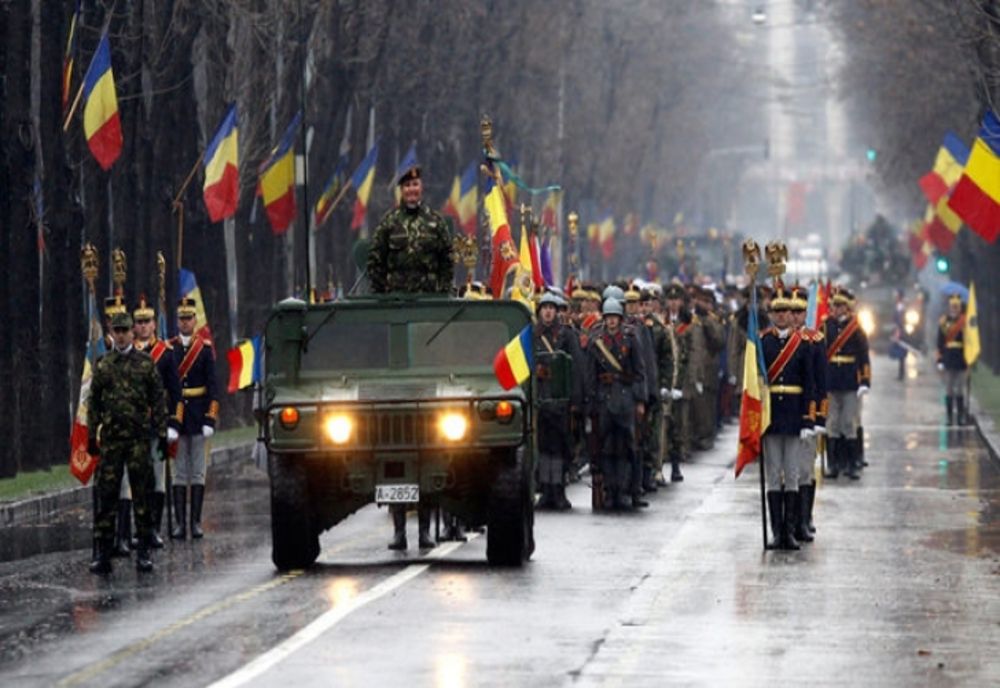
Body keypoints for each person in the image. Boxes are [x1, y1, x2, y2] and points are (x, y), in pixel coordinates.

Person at [87, 311, 168, 573]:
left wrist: (162, 434)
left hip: (137, 440)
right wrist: (91, 436)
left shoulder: (145, 364)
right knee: (107, 496)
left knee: (141, 496)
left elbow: (158, 400)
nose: (121, 336)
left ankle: (143, 551)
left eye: (125, 331)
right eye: (117, 331)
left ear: (132, 332)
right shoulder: (104, 365)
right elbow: (94, 403)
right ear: (112, 333)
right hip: (111, 440)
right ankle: (103, 552)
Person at [760, 289, 815, 550]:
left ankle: (790, 531)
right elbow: (758, 382)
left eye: (786, 312)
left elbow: (809, 384)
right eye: (777, 312)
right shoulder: (763, 343)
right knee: (773, 475)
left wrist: (808, 420)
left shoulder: (802, 344)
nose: (782, 317)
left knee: (792, 473)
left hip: (794, 415)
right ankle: (776, 532)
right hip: (771, 417)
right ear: (771, 315)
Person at [584, 298, 646, 511]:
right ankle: (610, 490)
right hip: (604, 399)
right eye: (608, 317)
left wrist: (640, 401)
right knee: (605, 448)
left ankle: (629, 489)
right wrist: (591, 402)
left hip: (626, 398)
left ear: (620, 319)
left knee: (629, 447)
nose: (611, 321)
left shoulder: (630, 340)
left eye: (615, 318)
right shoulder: (596, 342)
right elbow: (591, 375)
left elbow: (639, 373)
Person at [133, 295, 182, 548]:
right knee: (138, 478)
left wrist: (174, 423)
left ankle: (154, 527)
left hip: (159, 424)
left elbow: (175, 392)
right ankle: (139, 528)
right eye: (139, 323)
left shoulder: (166, 354)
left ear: (154, 324)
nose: (143, 327)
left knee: (157, 475)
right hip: (135, 425)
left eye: (147, 322)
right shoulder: (129, 353)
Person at [169, 297, 219, 539]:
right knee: (179, 472)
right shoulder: (171, 349)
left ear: (195, 320)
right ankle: (180, 524)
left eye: (189, 318)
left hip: (199, 417)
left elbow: (213, 388)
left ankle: (195, 522)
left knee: (198, 471)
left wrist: (210, 419)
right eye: (181, 318)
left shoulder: (205, 350)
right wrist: (170, 420)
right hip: (178, 419)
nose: (185, 322)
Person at [366, 162, 454, 294]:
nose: (411, 189)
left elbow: (447, 259)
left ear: (421, 187)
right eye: (407, 185)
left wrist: (443, 290)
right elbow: (375, 259)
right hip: (396, 297)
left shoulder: (435, 221)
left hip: (429, 298)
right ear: (401, 190)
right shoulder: (389, 221)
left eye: (415, 184)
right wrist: (382, 293)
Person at [533, 292, 583, 510]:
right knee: (543, 447)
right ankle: (546, 490)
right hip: (540, 400)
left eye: (552, 308)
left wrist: (576, 401)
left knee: (561, 446)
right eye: (544, 308)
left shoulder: (567, 335)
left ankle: (559, 490)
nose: (548, 312)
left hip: (561, 400)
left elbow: (576, 368)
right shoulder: (532, 335)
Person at [823, 287, 870, 480]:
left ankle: (851, 464)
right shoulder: (826, 327)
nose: (837, 308)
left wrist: (865, 380)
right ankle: (834, 464)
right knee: (832, 423)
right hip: (832, 380)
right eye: (835, 305)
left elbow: (863, 356)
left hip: (850, 380)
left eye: (841, 305)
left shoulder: (856, 328)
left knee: (848, 423)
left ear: (847, 307)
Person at [789, 286, 825, 542]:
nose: (793, 317)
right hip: (786, 415)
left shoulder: (815, 340)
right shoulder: (776, 341)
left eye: (799, 312)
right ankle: (789, 522)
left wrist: (819, 417)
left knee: (805, 470)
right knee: (786, 472)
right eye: (790, 312)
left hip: (808, 413)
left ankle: (804, 518)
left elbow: (820, 383)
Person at [936, 293, 969, 425]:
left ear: (960, 307)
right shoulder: (944, 322)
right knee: (949, 389)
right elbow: (940, 342)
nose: (954, 309)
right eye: (952, 306)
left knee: (960, 389)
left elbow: (970, 342)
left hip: (961, 359)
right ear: (949, 307)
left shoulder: (964, 322)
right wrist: (939, 360)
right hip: (948, 358)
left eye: (957, 306)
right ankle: (949, 418)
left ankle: (960, 417)